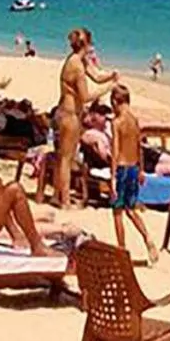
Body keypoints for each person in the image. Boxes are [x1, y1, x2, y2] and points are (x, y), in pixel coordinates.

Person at [53, 28, 118, 208]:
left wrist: (110, 76)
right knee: (66, 158)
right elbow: (85, 96)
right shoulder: (76, 66)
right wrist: (110, 87)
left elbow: (96, 76)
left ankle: (57, 195)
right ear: (86, 44)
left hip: (71, 114)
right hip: (69, 115)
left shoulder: (80, 60)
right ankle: (64, 200)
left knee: (64, 156)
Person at [109, 85, 159, 265]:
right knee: (131, 210)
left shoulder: (117, 122)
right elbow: (140, 147)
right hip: (133, 168)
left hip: (122, 169)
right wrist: (141, 169)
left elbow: (115, 150)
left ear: (115, 101)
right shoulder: (135, 120)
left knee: (117, 213)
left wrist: (113, 176)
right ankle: (147, 239)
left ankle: (121, 251)